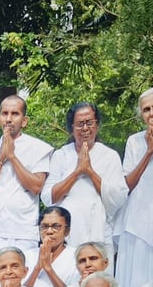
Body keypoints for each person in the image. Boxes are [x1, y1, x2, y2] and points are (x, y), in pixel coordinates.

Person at [0, 95, 53, 287]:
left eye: (15, 114)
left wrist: (12, 156)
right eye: (4, 113)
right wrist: (1, 158)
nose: (9, 119)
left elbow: (36, 186)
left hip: (24, 230)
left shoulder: (39, 149)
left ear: (25, 120)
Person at [41, 101, 127, 257]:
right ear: (72, 128)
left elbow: (118, 199)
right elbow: (48, 197)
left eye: (89, 123)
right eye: (80, 124)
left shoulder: (110, 156)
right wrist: (77, 172)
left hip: (99, 234)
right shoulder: (61, 155)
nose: (85, 128)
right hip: (67, 237)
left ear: (97, 125)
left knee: (99, 281)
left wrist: (90, 171)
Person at [114, 88, 153, 287]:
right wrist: (148, 151)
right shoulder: (134, 141)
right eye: (146, 109)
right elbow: (127, 184)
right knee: (134, 285)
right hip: (137, 222)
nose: (151, 114)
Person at [22, 205, 79, 287]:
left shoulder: (76, 257)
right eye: (44, 226)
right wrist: (37, 268)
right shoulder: (27, 256)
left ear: (67, 231)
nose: (49, 231)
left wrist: (49, 269)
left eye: (56, 226)